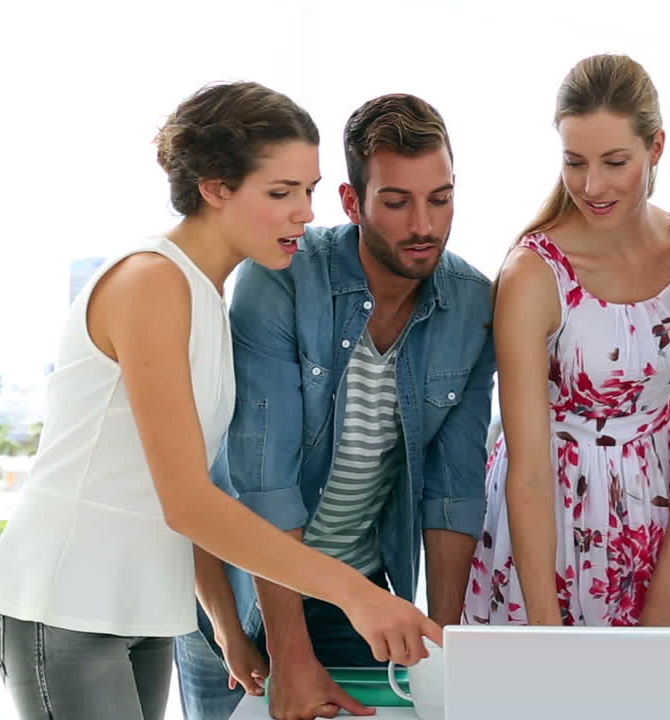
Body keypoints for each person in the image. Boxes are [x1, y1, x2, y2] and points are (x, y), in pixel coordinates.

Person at [0, 81, 443, 720]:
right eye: (280, 193)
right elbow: (188, 503)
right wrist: (355, 594)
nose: (305, 213)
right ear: (216, 188)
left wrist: (226, 625)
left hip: (140, 607)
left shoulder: (208, 299)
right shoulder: (151, 283)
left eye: (308, 190)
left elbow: (192, 483)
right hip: (66, 602)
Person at [174, 93, 496, 720]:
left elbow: (454, 491)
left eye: (441, 198)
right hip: (241, 588)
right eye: (397, 203)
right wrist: (290, 655)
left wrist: (445, 651)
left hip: (358, 590)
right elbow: (265, 483)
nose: (424, 225)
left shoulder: (471, 304)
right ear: (353, 204)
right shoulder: (281, 277)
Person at [463, 53, 670, 628]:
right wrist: (543, 623)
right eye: (574, 161)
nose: (592, 185)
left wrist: (666, 593)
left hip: (662, 528)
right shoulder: (534, 273)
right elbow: (527, 472)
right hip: (544, 534)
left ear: (656, 148)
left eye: (614, 162)